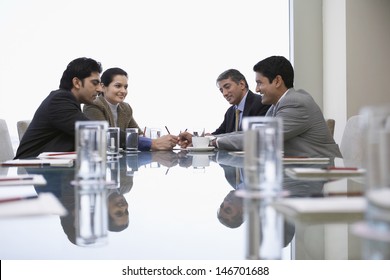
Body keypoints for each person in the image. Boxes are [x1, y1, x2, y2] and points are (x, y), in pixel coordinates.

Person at [179, 56, 342, 158]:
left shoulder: (296, 102)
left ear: (277, 81)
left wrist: (213, 143)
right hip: (298, 171)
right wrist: (207, 140)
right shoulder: (276, 106)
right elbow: (249, 133)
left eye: (259, 83)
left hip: (321, 174)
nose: (256, 89)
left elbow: (261, 138)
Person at [15, 57, 103, 159]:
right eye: (95, 83)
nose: (100, 89)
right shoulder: (60, 100)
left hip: (50, 167)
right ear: (77, 83)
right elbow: (93, 132)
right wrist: (125, 138)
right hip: (29, 168)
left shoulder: (70, 102)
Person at [83, 67, 177, 151]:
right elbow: (106, 135)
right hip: (100, 162)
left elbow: (138, 135)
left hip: (120, 162)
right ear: (103, 87)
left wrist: (165, 141)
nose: (123, 91)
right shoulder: (92, 105)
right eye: (118, 86)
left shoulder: (126, 107)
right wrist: (154, 143)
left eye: (125, 87)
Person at [212, 69, 270, 135]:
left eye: (227, 87)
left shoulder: (261, 103)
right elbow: (218, 134)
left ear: (242, 84)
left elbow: (255, 137)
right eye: (221, 90)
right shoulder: (230, 112)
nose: (224, 93)